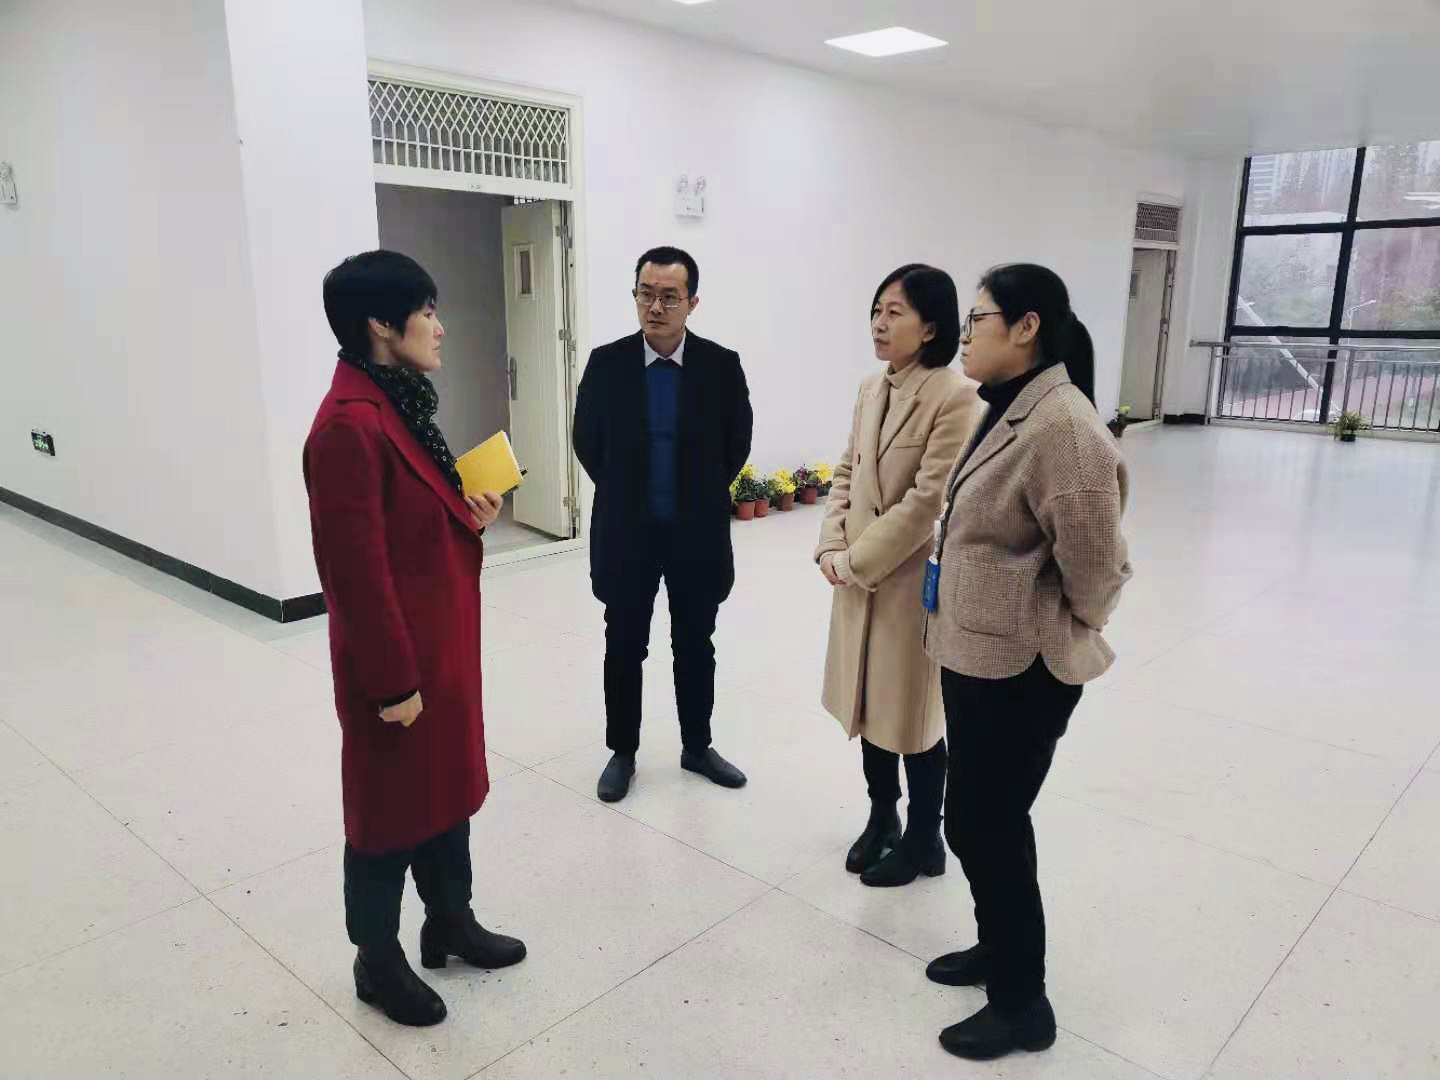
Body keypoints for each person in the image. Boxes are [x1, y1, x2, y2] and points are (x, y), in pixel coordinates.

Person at [304, 251, 527, 1029]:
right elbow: (354, 575)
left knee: (444, 792)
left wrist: (466, 512)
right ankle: (377, 959)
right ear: (380, 324)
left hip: (440, 650)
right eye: (427, 311)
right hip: (397, 668)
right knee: (386, 817)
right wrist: (394, 684)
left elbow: (409, 518)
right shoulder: (348, 426)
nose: (440, 326)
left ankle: (450, 922)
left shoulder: (396, 401)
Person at [922, 263, 1132, 1060]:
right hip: (978, 654)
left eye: (976, 320)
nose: (964, 335)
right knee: (974, 822)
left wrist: (1074, 623)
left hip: (1022, 669)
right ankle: (996, 947)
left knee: (991, 826)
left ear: (1026, 326)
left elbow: (1095, 566)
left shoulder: (1064, 428)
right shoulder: (1014, 405)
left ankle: (1022, 1003)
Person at [815, 265, 982, 888]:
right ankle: (881, 816)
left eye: (895, 312)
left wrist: (855, 563)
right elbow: (845, 472)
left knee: (913, 716)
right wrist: (831, 543)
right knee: (869, 703)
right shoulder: (870, 388)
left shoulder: (955, 396)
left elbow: (926, 502)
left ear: (930, 327)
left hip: (909, 586)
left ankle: (924, 836)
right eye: (876, 311)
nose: (879, 324)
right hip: (856, 577)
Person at [573, 246, 754, 803]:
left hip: (695, 534)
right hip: (628, 532)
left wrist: (695, 495)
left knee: (695, 643)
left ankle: (697, 745)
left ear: (692, 303)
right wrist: (627, 493)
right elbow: (587, 441)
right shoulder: (606, 364)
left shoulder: (721, 366)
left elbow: (736, 444)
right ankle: (622, 751)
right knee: (624, 644)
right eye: (646, 294)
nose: (655, 307)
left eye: (669, 297)